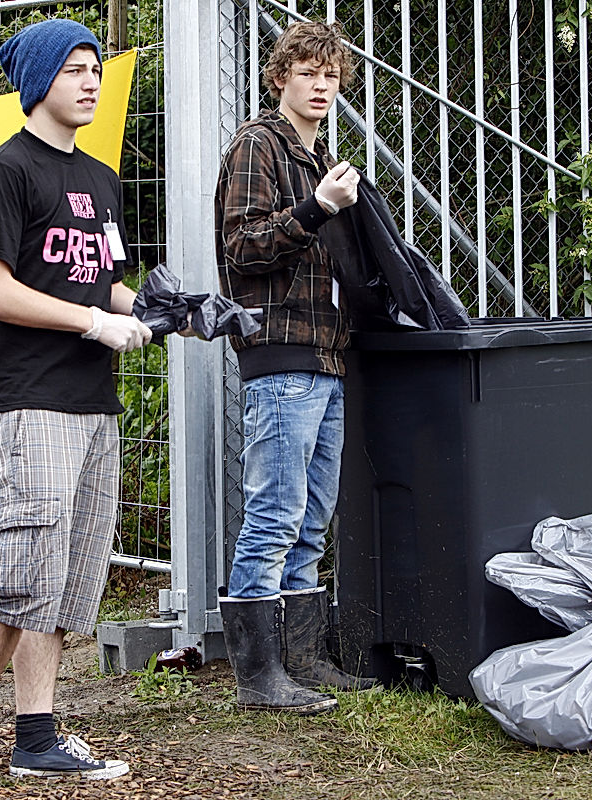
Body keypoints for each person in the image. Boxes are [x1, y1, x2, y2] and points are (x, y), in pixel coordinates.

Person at [0, 19, 153, 786]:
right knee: (19, 574)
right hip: (33, 401)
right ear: (39, 82)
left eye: (94, 68)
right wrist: (93, 321)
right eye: (73, 69)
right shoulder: (6, 171)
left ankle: (37, 737)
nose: (90, 81)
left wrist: (161, 309)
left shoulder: (99, 178)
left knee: (69, 583)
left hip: (94, 405)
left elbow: (107, 282)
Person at [214, 19, 374, 715]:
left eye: (330, 75)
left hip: (328, 357)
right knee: (274, 514)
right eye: (307, 72)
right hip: (280, 358)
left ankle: (305, 661)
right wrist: (315, 210)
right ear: (280, 77)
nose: (320, 85)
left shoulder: (322, 159)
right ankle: (259, 677)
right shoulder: (259, 146)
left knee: (313, 517)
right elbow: (242, 249)